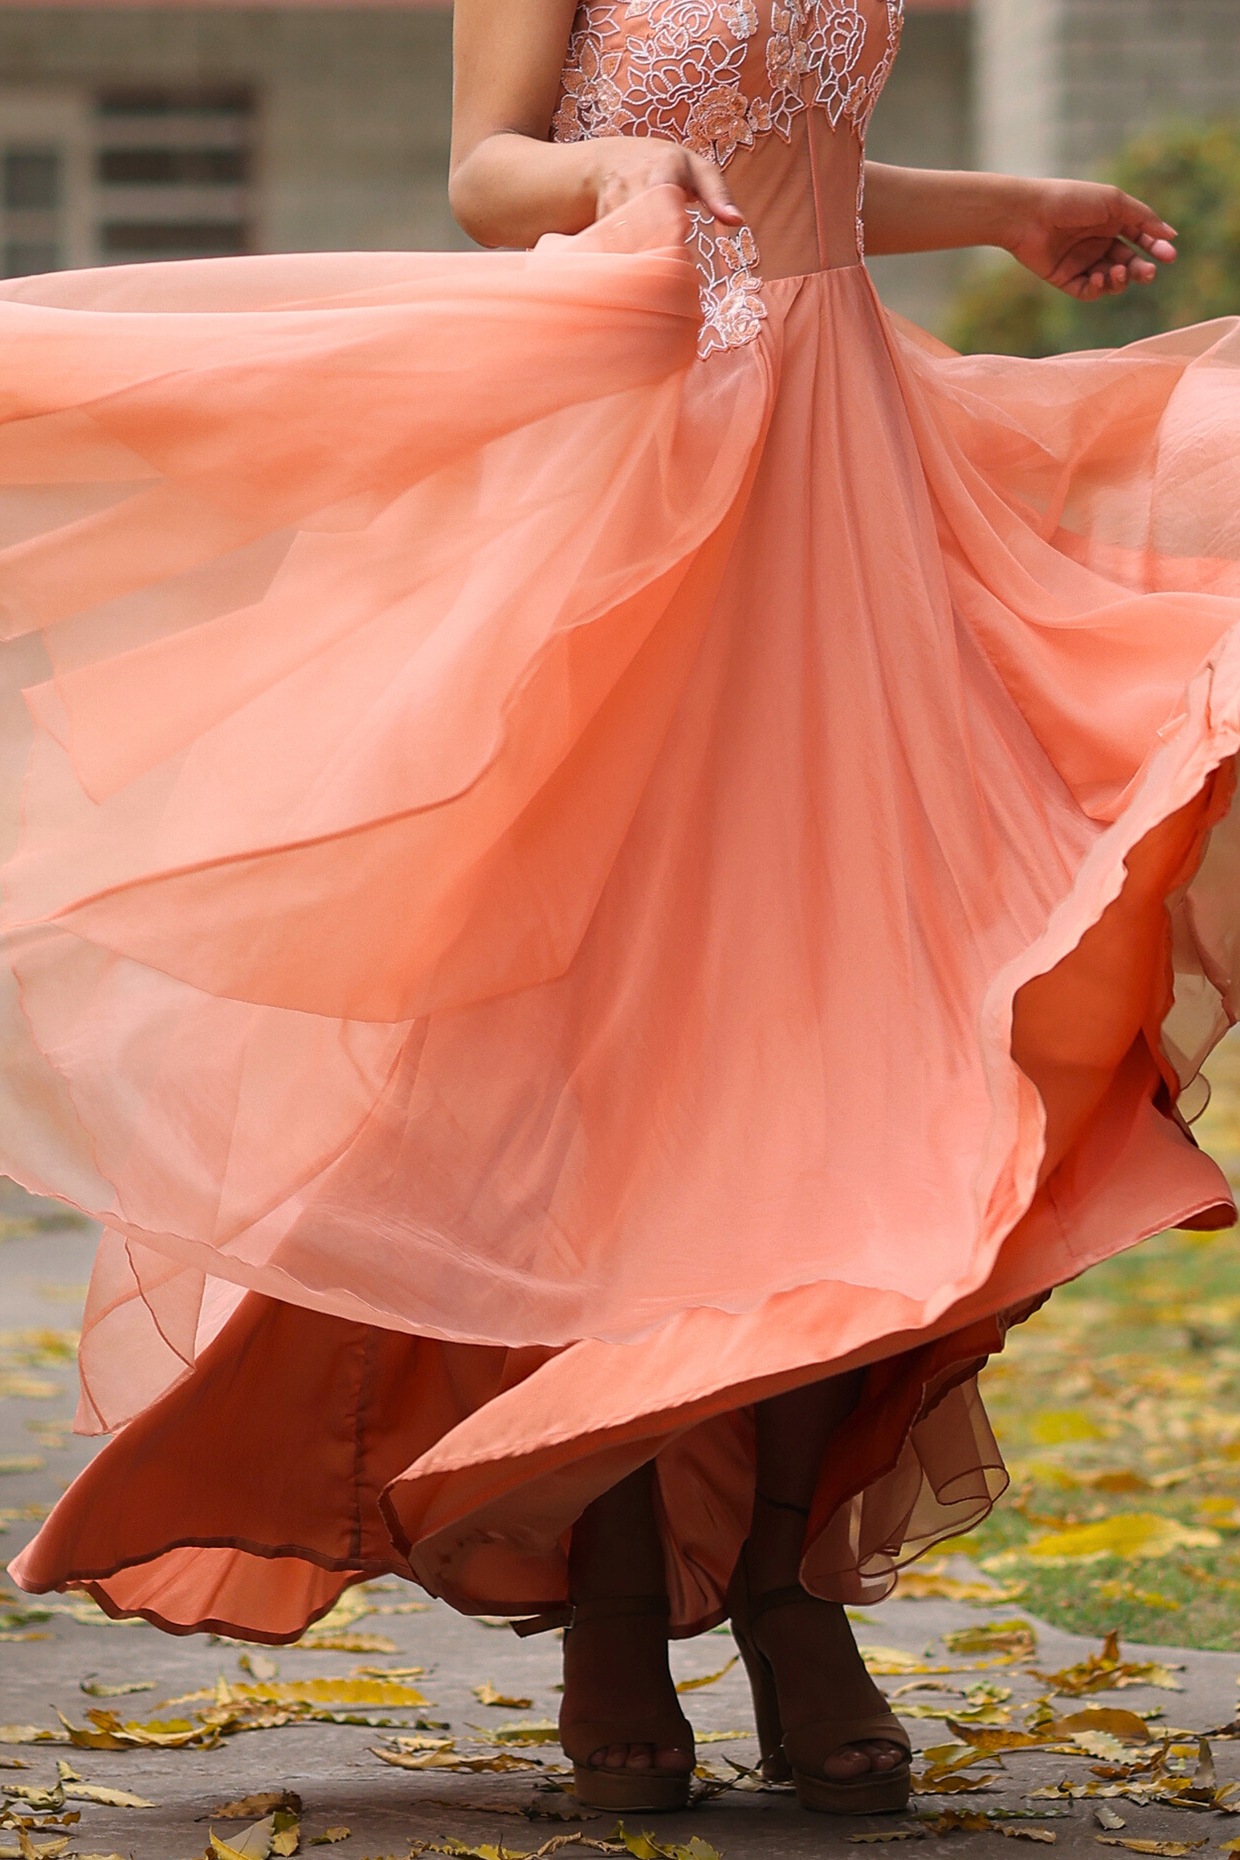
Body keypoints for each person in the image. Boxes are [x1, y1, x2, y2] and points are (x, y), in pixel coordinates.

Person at [4, 0, 1240, 1824]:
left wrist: (1003, 208)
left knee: (882, 1046)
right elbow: (491, 171)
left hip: (854, 485)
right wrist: (609, 171)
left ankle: (780, 1590)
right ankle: (610, 1588)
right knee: (601, 1060)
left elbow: (795, 172)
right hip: (641, 471)